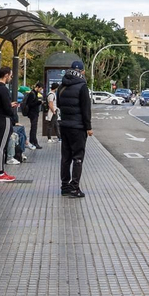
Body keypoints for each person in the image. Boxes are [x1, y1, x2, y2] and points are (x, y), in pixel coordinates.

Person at [56, 60, 94, 198]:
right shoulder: (82, 86)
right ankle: (75, 187)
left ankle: (64, 186)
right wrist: (88, 127)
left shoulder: (61, 86)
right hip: (78, 127)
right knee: (78, 157)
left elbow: (59, 104)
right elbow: (86, 109)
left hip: (64, 125)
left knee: (65, 157)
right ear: (82, 72)